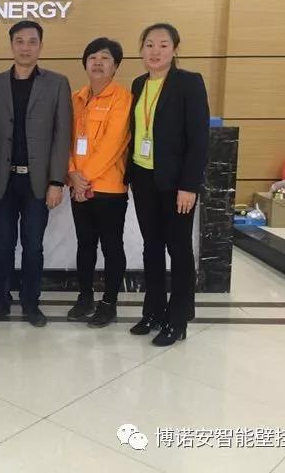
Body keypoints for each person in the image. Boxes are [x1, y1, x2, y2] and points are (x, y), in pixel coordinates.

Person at [0, 20, 72, 327]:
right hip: (2, 181)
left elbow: (62, 135)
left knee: (33, 247)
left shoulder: (57, 83)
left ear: (41, 46)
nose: (25, 47)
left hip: (38, 182)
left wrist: (56, 181)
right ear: (11, 45)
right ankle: (0, 302)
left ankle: (31, 304)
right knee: (3, 246)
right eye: (19, 41)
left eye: (32, 41)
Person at [127, 23, 209, 346]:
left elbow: (199, 139)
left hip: (176, 184)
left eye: (163, 45)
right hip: (144, 178)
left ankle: (178, 319)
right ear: (141, 49)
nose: (155, 51)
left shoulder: (189, 83)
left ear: (175, 49)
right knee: (151, 247)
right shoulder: (138, 84)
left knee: (179, 249)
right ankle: (153, 312)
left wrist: (189, 186)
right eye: (149, 44)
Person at [67, 37, 131, 328]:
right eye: (92, 57)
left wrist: (83, 180)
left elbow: (113, 145)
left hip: (109, 189)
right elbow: (64, 139)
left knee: (111, 247)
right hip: (78, 186)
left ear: (115, 66)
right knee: (85, 245)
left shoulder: (123, 99)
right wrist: (72, 174)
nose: (98, 62)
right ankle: (85, 297)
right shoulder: (75, 98)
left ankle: (109, 303)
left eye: (105, 58)